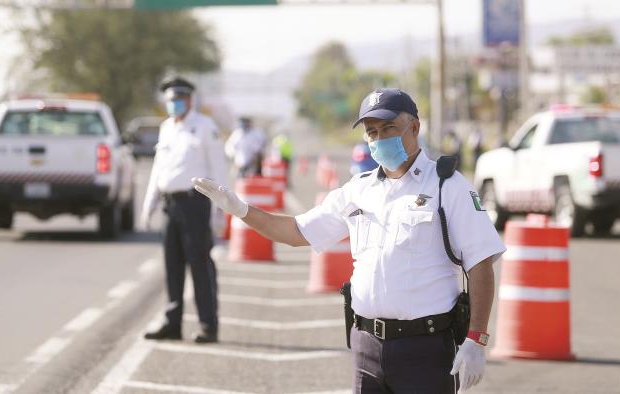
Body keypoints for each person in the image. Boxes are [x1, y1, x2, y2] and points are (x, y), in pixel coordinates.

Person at [193, 88, 506, 392]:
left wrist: (476, 340)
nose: (380, 138)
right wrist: (240, 209)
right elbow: (296, 232)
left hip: (426, 348)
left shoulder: (446, 185)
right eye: (372, 132)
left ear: (414, 127)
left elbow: (480, 262)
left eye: (389, 128)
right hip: (367, 346)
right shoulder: (359, 189)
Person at [140, 77, 228, 344]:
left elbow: (218, 169)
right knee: (172, 265)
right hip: (170, 204)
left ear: (189, 100)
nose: (173, 104)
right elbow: (159, 168)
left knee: (200, 265)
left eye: (178, 99)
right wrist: (149, 203)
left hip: (195, 204)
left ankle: (207, 325)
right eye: (169, 100)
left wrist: (219, 210)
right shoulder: (167, 128)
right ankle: (172, 322)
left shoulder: (204, 127)